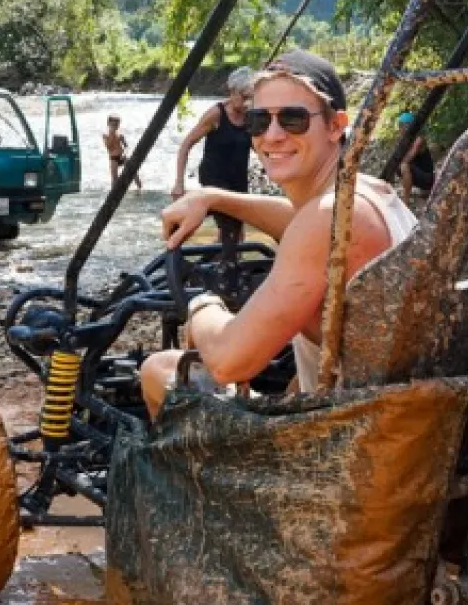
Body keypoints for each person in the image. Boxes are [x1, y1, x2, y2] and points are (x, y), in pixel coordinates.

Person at [140, 51, 420, 417]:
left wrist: (200, 307)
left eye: (293, 119)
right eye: (258, 120)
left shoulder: (325, 221)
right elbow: (301, 221)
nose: (272, 135)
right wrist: (213, 198)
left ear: (337, 126)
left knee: (157, 369)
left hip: (342, 439)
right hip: (379, 412)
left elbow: (227, 361)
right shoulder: (370, 195)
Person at [170, 66, 255, 236]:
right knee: (229, 227)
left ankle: (217, 259)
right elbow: (186, 144)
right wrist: (179, 183)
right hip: (214, 178)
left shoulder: (251, 116)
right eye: (244, 97)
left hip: (238, 181)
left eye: (251, 98)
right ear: (232, 91)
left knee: (238, 235)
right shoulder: (216, 114)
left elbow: (259, 148)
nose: (247, 103)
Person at [395, 111, 438, 197]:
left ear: (408, 126)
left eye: (402, 125)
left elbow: (407, 159)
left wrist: (399, 161)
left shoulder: (418, 140)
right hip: (421, 176)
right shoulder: (406, 140)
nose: (400, 128)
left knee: (403, 166)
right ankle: (419, 190)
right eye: (400, 125)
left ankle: (405, 201)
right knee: (400, 167)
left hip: (429, 179)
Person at [101, 115, 142, 191]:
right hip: (113, 158)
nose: (115, 127)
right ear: (108, 124)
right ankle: (114, 191)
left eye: (117, 125)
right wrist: (112, 135)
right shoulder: (105, 135)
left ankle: (139, 187)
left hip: (122, 156)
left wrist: (124, 153)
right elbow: (108, 146)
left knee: (133, 170)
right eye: (113, 125)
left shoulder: (120, 135)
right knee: (114, 177)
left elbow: (126, 146)